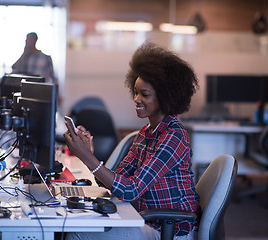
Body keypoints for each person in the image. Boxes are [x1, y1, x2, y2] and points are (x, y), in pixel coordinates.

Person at [64, 41, 200, 240]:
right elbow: (117, 181)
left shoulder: (174, 137)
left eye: (144, 94)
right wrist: (90, 154)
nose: (136, 99)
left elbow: (130, 190)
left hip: (171, 231)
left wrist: (86, 158)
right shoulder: (145, 133)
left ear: (166, 97)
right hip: (150, 222)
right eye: (135, 92)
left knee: (78, 233)